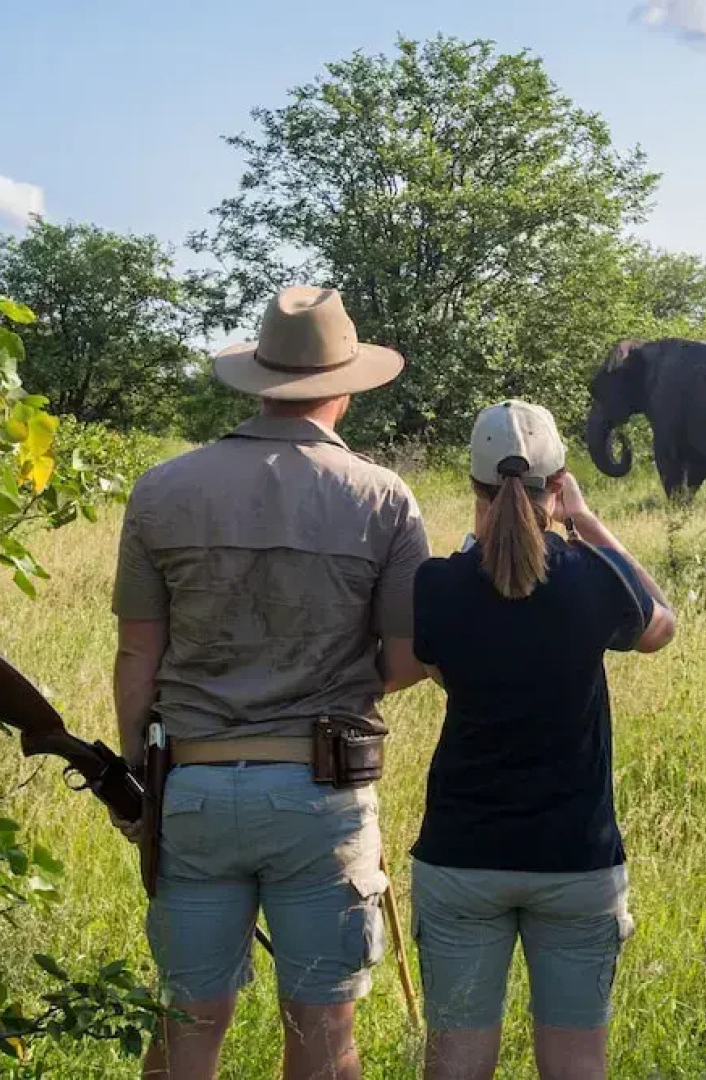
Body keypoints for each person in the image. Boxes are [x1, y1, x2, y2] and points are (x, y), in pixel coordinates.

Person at [111, 286, 434, 1080]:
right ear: (346, 384)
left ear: (257, 376)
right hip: (320, 793)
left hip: (191, 784)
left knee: (186, 1022)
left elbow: (135, 655)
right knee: (324, 1033)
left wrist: (135, 775)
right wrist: (334, 688)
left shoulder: (162, 487)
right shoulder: (381, 495)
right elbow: (411, 656)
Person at [407, 399, 677, 1080]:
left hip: (462, 852)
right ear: (555, 485)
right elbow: (658, 627)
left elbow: (440, 670)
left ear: (472, 486)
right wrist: (583, 521)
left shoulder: (438, 585)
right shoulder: (591, 579)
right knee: (577, 1062)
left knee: (455, 1062)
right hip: (575, 856)